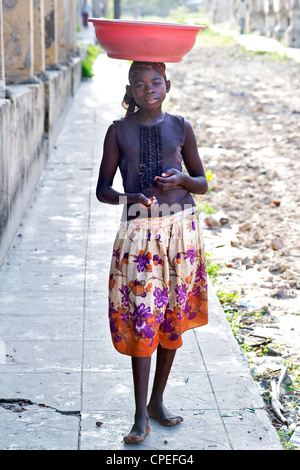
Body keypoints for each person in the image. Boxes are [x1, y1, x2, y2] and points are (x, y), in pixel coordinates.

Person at [96, 61, 208, 444]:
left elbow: (202, 182)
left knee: (171, 320)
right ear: (131, 88)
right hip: (140, 239)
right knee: (144, 319)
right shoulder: (118, 131)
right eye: (140, 83)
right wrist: (130, 196)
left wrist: (182, 180)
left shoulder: (181, 126)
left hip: (181, 234)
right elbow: (103, 190)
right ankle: (139, 415)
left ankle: (157, 402)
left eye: (155, 82)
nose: (149, 89)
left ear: (168, 85)